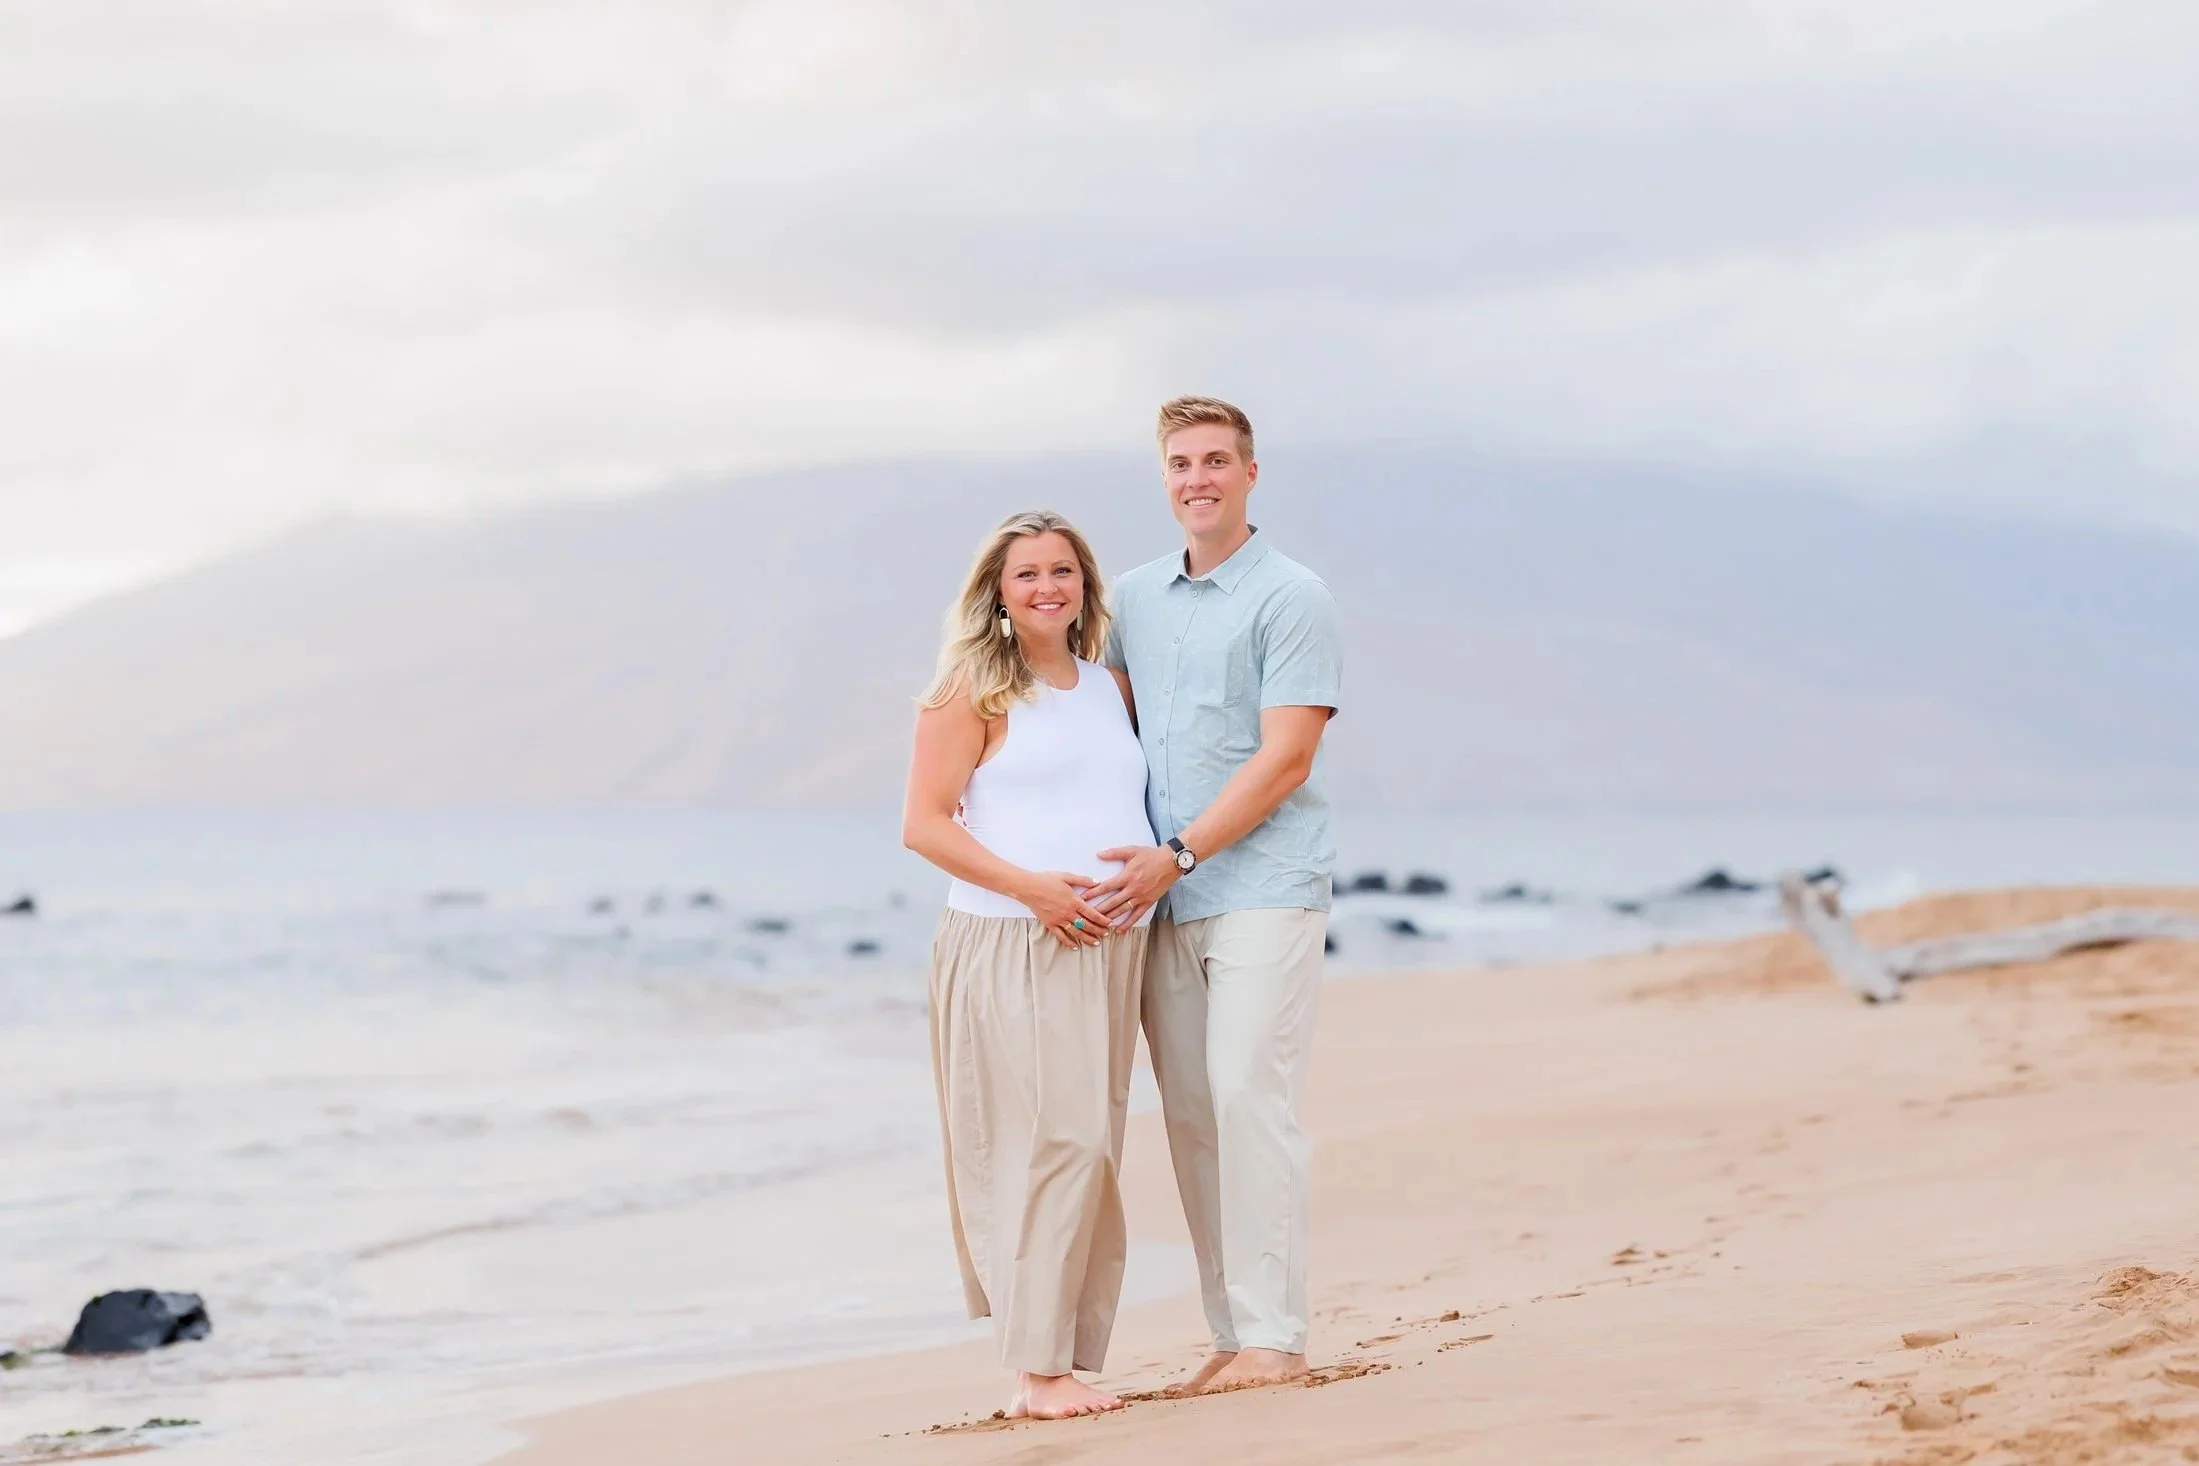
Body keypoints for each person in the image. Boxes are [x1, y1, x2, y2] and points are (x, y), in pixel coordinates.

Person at [1088, 396, 1343, 1395]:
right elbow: (1101, 734)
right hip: (1160, 900)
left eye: (1216, 461)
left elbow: (1287, 757)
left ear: (1249, 474)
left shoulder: (1292, 595)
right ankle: (1234, 1333)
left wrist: (1180, 853)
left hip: (1263, 886)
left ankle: (1277, 1337)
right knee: (1194, 1115)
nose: (1198, 477)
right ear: (1165, 477)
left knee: (1248, 1094)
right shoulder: (1132, 599)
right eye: (1181, 462)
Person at [901, 509, 1156, 1421]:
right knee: (1053, 1143)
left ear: (1085, 584)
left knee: (1091, 1149)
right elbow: (923, 824)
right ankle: (1036, 1372)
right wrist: (1034, 892)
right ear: (997, 595)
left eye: (1062, 571)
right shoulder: (969, 688)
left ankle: (1062, 1360)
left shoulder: (1106, 689)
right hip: (1011, 942)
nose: (1047, 587)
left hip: (1110, 946)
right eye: (1026, 575)